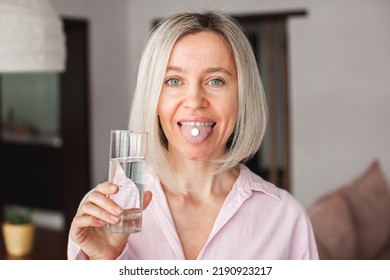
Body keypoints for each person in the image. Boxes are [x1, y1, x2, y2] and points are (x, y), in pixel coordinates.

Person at [68, 11, 319, 260]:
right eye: (174, 80)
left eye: (216, 81)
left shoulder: (286, 217)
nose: (195, 101)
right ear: (153, 98)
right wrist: (104, 263)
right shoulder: (105, 213)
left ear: (242, 96)